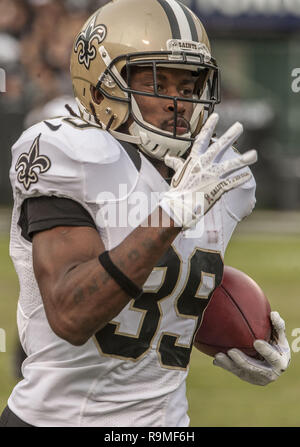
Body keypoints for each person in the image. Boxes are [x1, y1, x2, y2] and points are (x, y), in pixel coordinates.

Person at [1, 0, 290, 428]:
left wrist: (245, 336)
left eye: (189, 87)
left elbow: (170, 279)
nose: (178, 102)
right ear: (100, 86)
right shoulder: (70, 151)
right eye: (158, 82)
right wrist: (171, 213)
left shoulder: (218, 172)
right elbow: (70, 315)